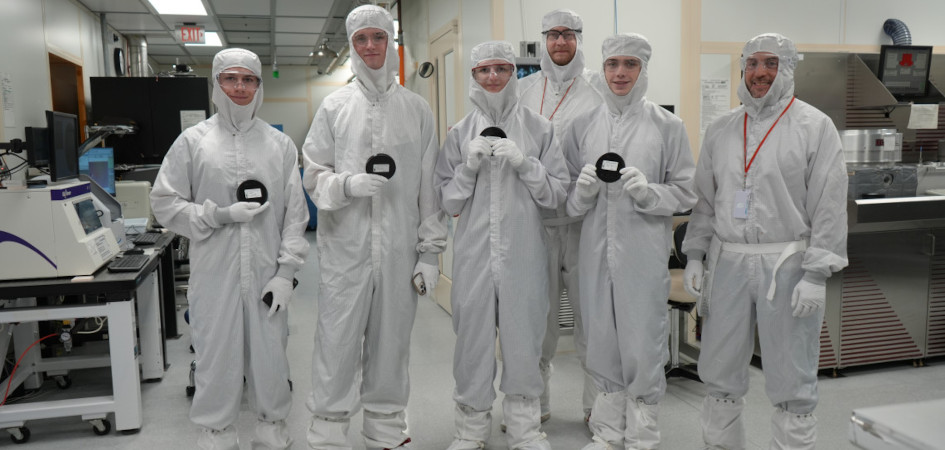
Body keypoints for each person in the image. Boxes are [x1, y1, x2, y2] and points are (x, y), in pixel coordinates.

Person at [681, 33, 848, 449]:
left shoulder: (814, 126)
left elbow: (829, 202)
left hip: (787, 264)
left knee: (791, 372)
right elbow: (705, 198)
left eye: (770, 64)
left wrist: (816, 272)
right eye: (752, 64)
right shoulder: (721, 129)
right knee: (719, 369)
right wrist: (696, 255)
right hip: (729, 262)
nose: (759, 73)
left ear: (787, 69)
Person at [301, 5, 447, 450]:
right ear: (352, 45)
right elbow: (312, 173)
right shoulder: (334, 107)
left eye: (378, 38)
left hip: (400, 249)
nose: (370, 47)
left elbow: (430, 186)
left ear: (391, 43)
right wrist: (345, 184)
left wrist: (430, 251)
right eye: (361, 39)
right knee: (337, 341)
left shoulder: (417, 110)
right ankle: (327, 432)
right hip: (345, 250)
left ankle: (384, 428)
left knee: (392, 343)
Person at [151, 48, 309, 450]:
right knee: (215, 354)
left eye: (249, 80)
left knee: (271, 353)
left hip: (266, 271)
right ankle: (216, 432)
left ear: (259, 86)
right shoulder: (194, 142)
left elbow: (295, 214)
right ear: (216, 84)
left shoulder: (279, 145)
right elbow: (164, 202)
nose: (240, 87)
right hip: (214, 271)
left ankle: (271, 426)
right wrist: (218, 215)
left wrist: (286, 272)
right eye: (231, 79)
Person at [563, 33, 696, 450]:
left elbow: (687, 192)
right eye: (612, 65)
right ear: (602, 70)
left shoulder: (667, 126)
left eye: (630, 65)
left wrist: (650, 193)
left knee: (642, 340)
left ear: (643, 70)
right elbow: (563, 197)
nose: (620, 73)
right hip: (594, 254)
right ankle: (607, 432)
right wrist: (581, 192)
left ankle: (642, 436)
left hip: (643, 254)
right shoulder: (581, 125)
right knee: (600, 339)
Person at [435, 41, 569, 450]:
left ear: (514, 74)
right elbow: (448, 201)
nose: (492, 77)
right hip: (474, 257)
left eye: (501, 69)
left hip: (525, 255)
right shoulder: (459, 133)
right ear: (473, 77)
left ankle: (525, 428)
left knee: (523, 340)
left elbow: (557, 196)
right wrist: (467, 168)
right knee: (472, 342)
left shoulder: (540, 128)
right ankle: (471, 429)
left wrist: (526, 164)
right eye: (483, 70)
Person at [517, 8, 602, 425]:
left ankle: (595, 407)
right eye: (553, 35)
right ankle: (536, 403)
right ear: (544, 40)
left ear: (579, 39)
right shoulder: (524, 91)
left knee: (591, 315)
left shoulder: (598, 92)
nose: (560, 43)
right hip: (535, 222)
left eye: (568, 35)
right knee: (537, 317)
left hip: (584, 223)